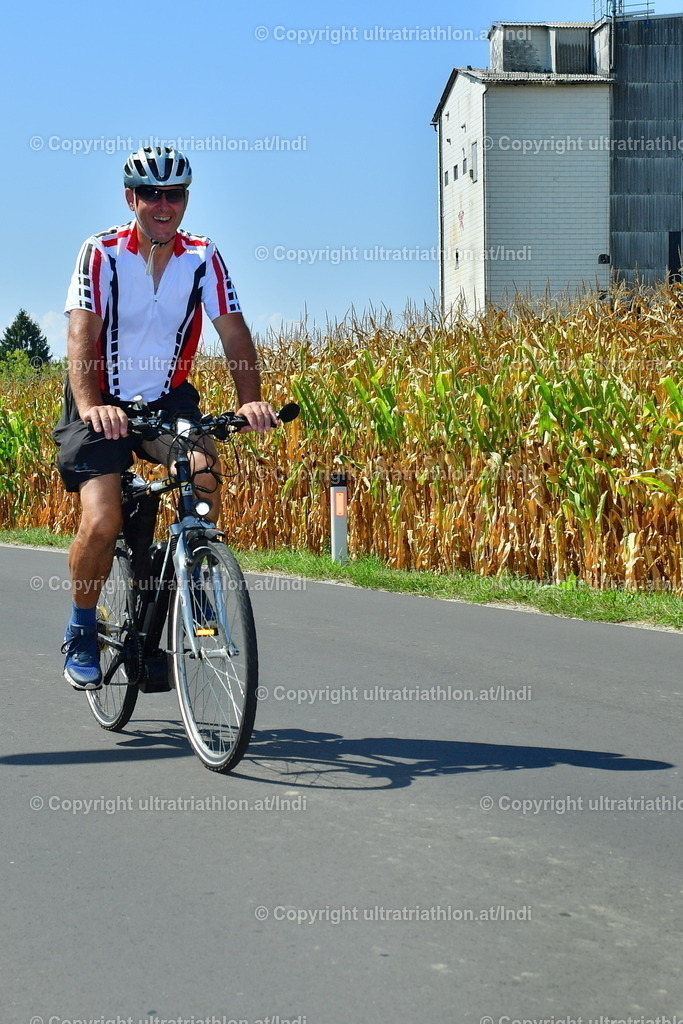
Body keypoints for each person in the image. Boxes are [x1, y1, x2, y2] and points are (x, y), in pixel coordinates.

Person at [54, 145, 277, 691]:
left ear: (185, 199)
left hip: (166, 399)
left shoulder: (203, 256)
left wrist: (250, 399)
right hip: (101, 397)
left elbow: (233, 332)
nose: (162, 204)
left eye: (173, 194)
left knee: (203, 470)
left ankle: (196, 579)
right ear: (130, 198)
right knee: (102, 520)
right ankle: (82, 627)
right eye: (150, 194)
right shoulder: (101, 252)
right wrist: (92, 405)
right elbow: (81, 332)